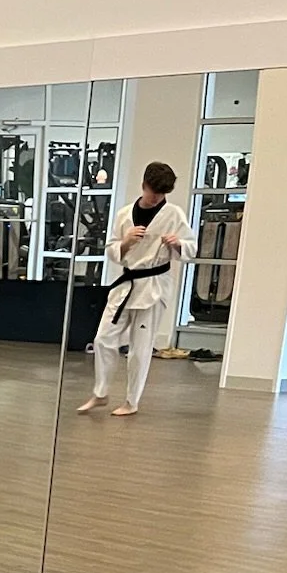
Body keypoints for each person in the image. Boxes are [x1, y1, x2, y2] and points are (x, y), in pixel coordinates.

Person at [78, 161, 194, 417]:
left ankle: (132, 401)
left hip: (154, 286)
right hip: (126, 284)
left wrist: (177, 244)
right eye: (154, 192)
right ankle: (101, 392)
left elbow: (191, 249)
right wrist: (126, 242)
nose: (157, 198)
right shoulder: (123, 214)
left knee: (139, 349)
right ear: (144, 185)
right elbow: (111, 250)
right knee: (103, 339)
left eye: (162, 194)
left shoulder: (174, 215)